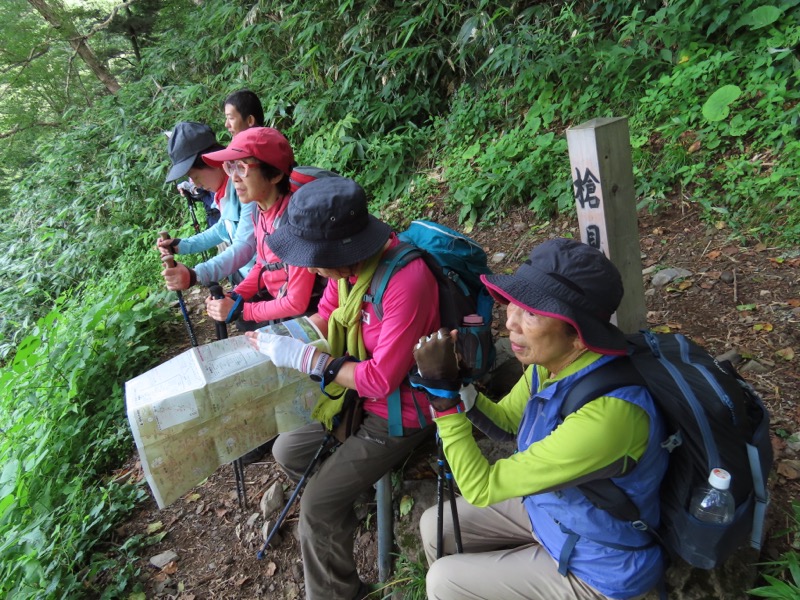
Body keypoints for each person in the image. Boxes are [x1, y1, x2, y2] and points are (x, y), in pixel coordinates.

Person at [411, 238, 669, 600]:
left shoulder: (609, 417)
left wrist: (443, 404)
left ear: (579, 336)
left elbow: (481, 487)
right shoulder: (550, 366)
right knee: (432, 525)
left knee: (444, 579)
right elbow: (505, 424)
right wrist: (458, 386)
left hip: (599, 563)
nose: (510, 322)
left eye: (531, 312)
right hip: (557, 508)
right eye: (514, 304)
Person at [245, 177, 440, 600]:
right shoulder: (350, 272)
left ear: (342, 251)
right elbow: (326, 314)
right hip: (354, 396)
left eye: (314, 259)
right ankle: (350, 507)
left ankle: (340, 592)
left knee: (315, 506)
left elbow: (381, 378)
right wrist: (281, 338)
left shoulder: (407, 281)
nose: (310, 268)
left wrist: (307, 360)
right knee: (286, 449)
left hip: (400, 410)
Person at [202, 127, 317, 327]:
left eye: (242, 168)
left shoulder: (295, 223)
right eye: (230, 167)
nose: (234, 178)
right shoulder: (259, 210)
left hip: (308, 312)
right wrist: (236, 296)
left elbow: (297, 303)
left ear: (274, 175)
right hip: (278, 299)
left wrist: (243, 310)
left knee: (246, 325)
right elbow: (263, 264)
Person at [158, 121, 257, 289]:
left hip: (269, 284)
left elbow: (245, 246)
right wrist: (182, 245)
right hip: (250, 279)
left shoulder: (247, 187)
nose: (195, 184)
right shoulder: (226, 191)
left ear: (211, 161)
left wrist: (196, 275)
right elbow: (223, 229)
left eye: (195, 176)